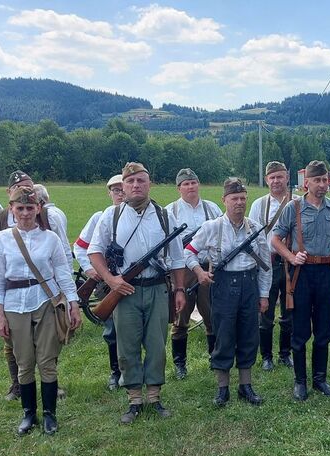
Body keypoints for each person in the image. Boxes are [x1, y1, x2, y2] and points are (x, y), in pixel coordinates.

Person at [87, 162, 187, 423]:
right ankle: (134, 400)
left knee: (156, 345)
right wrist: (112, 280)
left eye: (141, 181)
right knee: (127, 346)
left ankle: (154, 397)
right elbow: (94, 252)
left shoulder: (165, 216)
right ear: (123, 186)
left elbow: (177, 258)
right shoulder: (112, 215)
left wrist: (179, 289)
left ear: (149, 184)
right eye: (130, 182)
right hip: (124, 292)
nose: (135, 186)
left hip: (156, 288)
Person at [0, 187, 81, 435]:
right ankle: (29, 414)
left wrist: (73, 304)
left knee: (47, 361)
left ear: (38, 208)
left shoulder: (50, 238)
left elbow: (63, 272)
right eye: (20, 208)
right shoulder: (2, 239)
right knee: (25, 363)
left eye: (30, 208)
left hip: (46, 302)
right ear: (12, 210)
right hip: (14, 304)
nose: (25, 213)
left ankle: (50, 414)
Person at [0, 171, 69, 401]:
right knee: (14, 343)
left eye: (30, 189)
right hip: (12, 292)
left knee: (49, 340)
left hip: (45, 289)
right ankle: (17, 384)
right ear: (10, 195)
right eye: (20, 189)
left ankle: (50, 383)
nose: (26, 200)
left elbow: (62, 249)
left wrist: (65, 288)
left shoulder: (48, 218)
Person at [185, 178, 271, 406]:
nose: (239, 203)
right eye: (234, 198)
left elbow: (266, 265)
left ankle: (246, 386)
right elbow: (188, 252)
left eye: (243, 198)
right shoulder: (212, 227)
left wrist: (263, 295)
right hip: (224, 286)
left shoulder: (254, 228)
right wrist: (199, 273)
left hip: (249, 284)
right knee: (224, 336)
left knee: (249, 335)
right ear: (224, 200)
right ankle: (223, 389)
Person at [271, 160, 330, 401]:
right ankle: (300, 382)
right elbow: (276, 239)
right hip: (301, 276)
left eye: (325, 180)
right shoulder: (294, 207)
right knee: (300, 330)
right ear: (307, 183)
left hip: (325, 273)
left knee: (324, 330)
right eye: (317, 180)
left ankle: (320, 380)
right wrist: (292, 257)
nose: (323, 185)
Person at [166, 168, 222, 380]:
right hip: (183, 270)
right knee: (181, 317)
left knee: (212, 315)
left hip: (208, 267)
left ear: (198, 184)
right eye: (185, 184)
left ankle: (214, 358)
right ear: (179, 188)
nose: (190, 187)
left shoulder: (212, 208)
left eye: (193, 183)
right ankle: (180, 364)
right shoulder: (170, 211)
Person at [74, 174, 125, 389]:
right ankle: (115, 372)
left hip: (134, 280)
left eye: (123, 189)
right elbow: (80, 246)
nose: (121, 194)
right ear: (109, 193)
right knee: (112, 328)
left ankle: (133, 371)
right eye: (116, 190)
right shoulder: (100, 217)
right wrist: (90, 269)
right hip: (107, 281)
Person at [248, 161, 293, 370]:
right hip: (269, 264)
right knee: (265, 311)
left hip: (293, 265)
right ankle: (266, 356)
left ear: (287, 177)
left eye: (280, 176)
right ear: (267, 180)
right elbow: (253, 237)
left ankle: (285, 354)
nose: (276, 181)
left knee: (290, 311)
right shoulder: (259, 204)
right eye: (272, 177)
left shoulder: (298, 202)